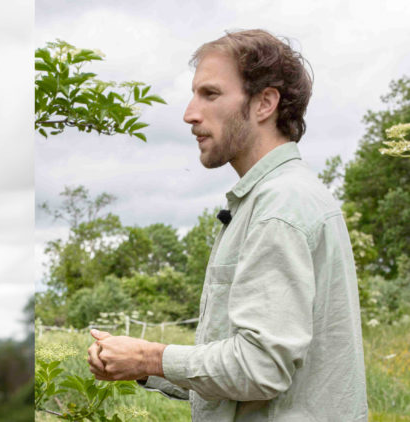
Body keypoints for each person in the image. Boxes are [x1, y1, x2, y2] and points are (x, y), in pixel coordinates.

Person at [87, 29, 368, 420]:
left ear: (265, 103)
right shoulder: (278, 198)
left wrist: (151, 357)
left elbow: (260, 368)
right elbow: (244, 378)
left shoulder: (278, 206)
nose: (189, 114)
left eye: (210, 94)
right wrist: (144, 366)